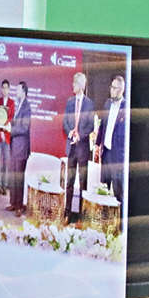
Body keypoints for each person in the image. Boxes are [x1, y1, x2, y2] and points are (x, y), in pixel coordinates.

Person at [62, 72, 95, 219]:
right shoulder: (70, 102)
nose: (72, 85)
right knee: (69, 182)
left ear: (81, 86)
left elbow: (91, 126)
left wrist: (79, 135)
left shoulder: (89, 104)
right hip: (71, 148)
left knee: (82, 183)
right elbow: (65, 122)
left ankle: (81, 215)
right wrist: (70, 133)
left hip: (82, 149)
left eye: (75, 83)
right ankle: (67, 212)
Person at [98, 73, 129, 210]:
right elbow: (102, 125)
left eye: (115, 88)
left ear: (121, 90)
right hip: (106, 153)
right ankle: (103, 219)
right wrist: (98, 144)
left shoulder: (126, 108)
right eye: (111, 87)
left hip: (117, 157)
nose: (111, 90)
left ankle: (119, 221)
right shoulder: (107, 104)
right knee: (103, 188)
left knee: (118, 192)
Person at [9, 81, 33, 211]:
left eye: (17, 90)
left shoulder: (27, 107)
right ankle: (13, 203)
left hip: (21, 148)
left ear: (23, 91)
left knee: (18, 177)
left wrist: (11, 130)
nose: (16, 92)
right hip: (14, 146)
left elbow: (24, 128)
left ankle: (19, 206)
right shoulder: (19, 105)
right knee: (13, 176)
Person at [0, 80, 15, 197]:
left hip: (7, 137)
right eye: (3, 88)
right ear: (1, 89)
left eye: (6, 88)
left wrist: (4, 131)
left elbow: (10, 119)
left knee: (6, 162)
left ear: (9, 89)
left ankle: (5, 186)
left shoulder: (12, 103)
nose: (5, 90)